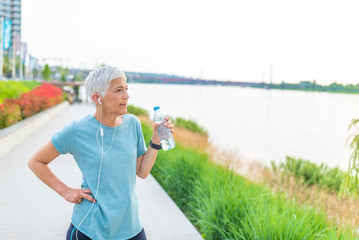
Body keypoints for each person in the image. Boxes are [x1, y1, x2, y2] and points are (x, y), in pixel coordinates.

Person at [28, 66, 174, 240]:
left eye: (126, 89)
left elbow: (142, 172)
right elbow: (36, 162)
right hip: (89, 229)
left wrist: (156, 141)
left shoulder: (132, 124)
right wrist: (65, 191)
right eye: (119, 90)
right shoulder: (77, 130)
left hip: (131, 227)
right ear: (98, 98)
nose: (126, 95)